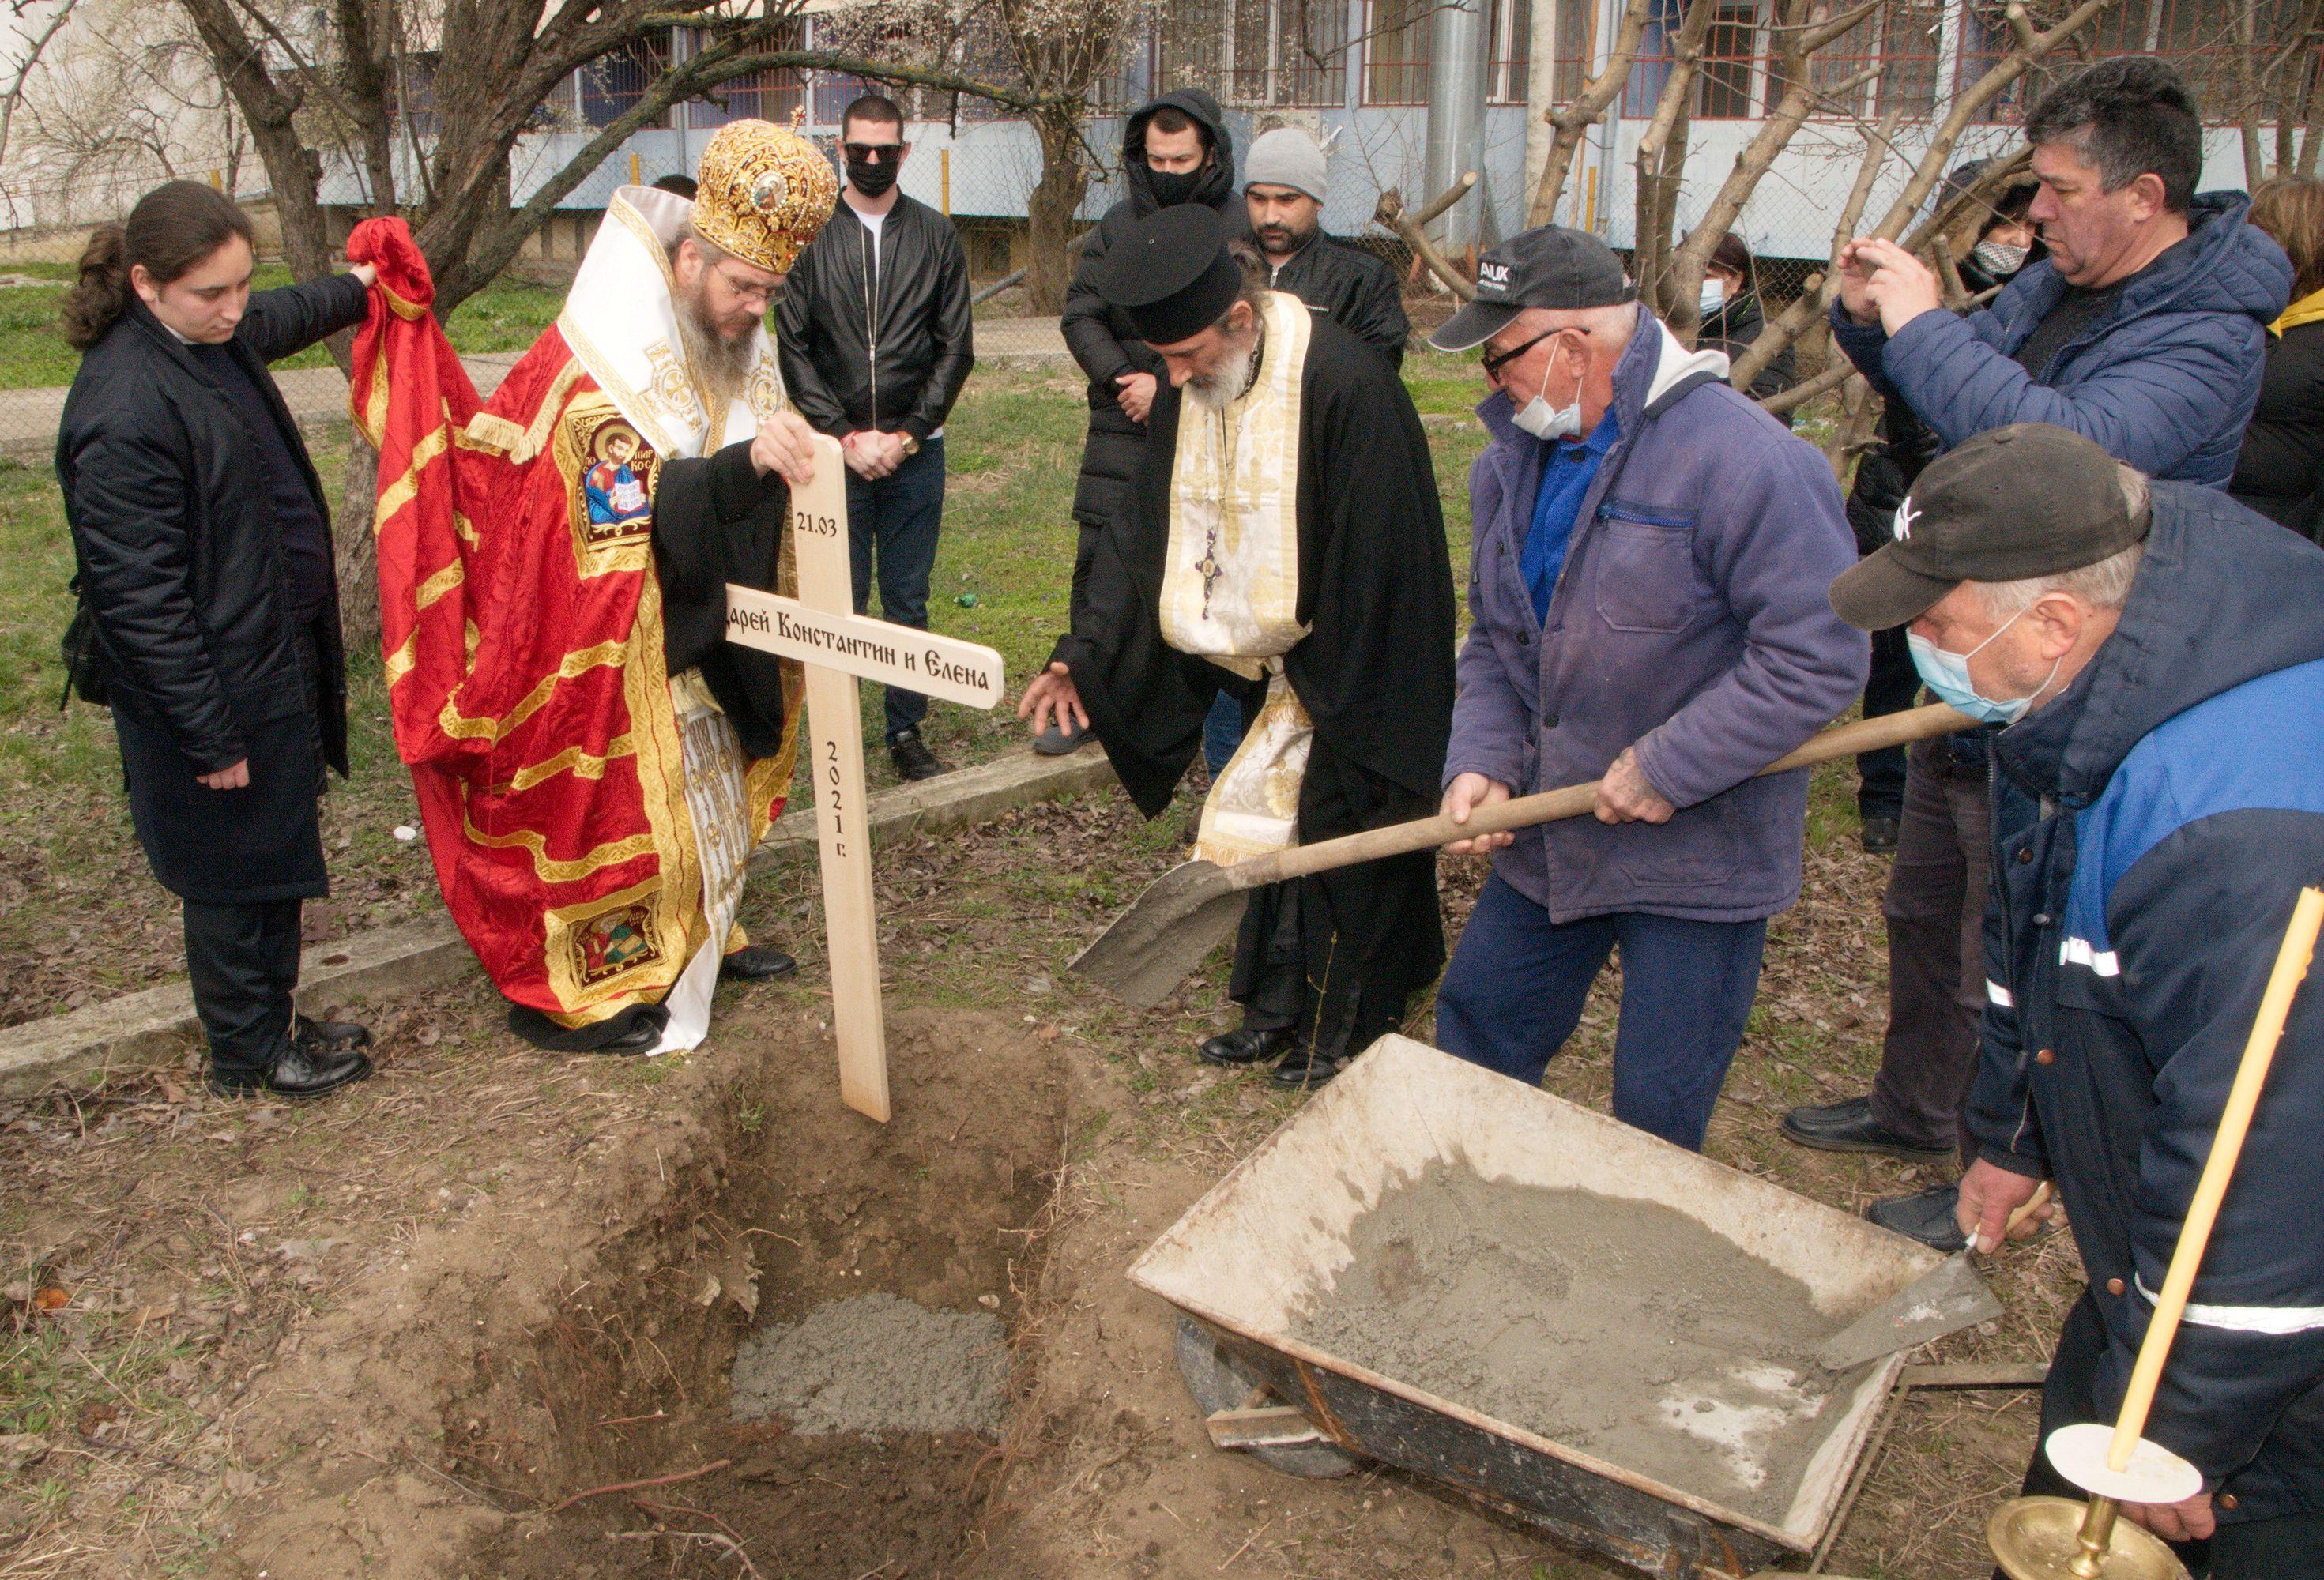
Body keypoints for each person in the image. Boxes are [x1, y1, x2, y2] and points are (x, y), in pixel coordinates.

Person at [1785, 57, 2294, 1243]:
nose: (2036, 213)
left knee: (2005, 938)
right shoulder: (2062, 283)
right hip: (1980, 637)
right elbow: (1956, 415)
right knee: (1927, 906)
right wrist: (1878, 335)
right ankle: (1915, 1105)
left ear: (2144, 192)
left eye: (2058, 189)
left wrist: (1922, 321)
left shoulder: (2209, 333)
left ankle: (1991, 1163)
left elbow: (2056, 446)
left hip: (2082, 674)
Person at [1827, 423, 2324, 1577]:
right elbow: (2040, 936)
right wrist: (2013, 1129)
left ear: (2048, 619)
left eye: (1936, 624)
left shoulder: (2241, 841)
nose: (1918, 649)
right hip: (2166, 1263)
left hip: (2283, 1340)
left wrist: (2183, 1429)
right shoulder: (2080, 689)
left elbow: (2271, 1162)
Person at [345, 119, 833, 1055]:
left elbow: (740, 450)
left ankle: (699, 935)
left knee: (706, 787)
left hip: (692, 627)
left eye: (768, 293)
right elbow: (613, 530)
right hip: (592, 645)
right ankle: (584, 987)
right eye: (741, 287)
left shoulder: (736, 335)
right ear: (690, 259)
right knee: (619, 802)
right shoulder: (594, 368)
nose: (751, 311)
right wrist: (739, 474)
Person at [1426, 225, 1865, 1153]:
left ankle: (1635, 1270)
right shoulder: (1506, 465)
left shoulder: (1748, 462)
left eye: (1499, 357)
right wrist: (1482, 756)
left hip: (1700, 849)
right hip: (1552, 828)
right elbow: (1498, 642)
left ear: (1572, 347)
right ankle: (1458, 1222)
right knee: (1476, 1031)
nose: (1491, 382)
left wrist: (1673, 762)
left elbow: (1818, 655)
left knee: (1658, 1104)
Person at [1019, 207, 1455, 1089]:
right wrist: (1085, 649)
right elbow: (1148, 529)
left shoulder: (1345, 383)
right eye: (1163, 360)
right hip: (1269, 658)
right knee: (1264, 837)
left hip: (1357, 663)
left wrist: (1321, 683)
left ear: (1241, 322)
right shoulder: (1199, 384)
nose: (1170, 379)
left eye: (1183, 358)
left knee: (1340, 833)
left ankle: (1347, 1022)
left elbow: (1383, 555)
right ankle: (1276, 1008)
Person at [56, 181, 379, 1098]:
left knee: (271, 851)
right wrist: (207, 734)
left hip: (263, 657)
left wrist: (360, 286)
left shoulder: (204, 336)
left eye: (242, 285)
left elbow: (277, 316)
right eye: (213, 293)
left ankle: (275, 1018)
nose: (235, 309)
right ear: (148, 283)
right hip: (211, 691)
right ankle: (248, 1052)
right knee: (233, 875)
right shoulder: (124, 406)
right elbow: (138, 600)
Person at [778, 94, 974, 782]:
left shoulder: (936, 235)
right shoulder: (808, 235)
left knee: (907, 595)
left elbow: (955, 346)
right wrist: (842, 435)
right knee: (840, 597)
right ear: (839, 146)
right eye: (857, 149)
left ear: (903, 152)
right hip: (835, 455)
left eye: (883, 150)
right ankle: (839, 731)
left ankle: (904, 727)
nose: (869, 161)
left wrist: (908, 433)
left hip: (915, 452)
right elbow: (793, 345)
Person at [1044, 90, 1241, 758]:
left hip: (1207, 418)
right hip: (1121, 424)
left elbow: (1238, 330)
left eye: (1180, 159)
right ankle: (1085, 698)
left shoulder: (1236, 226)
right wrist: (1121, 378)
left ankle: (1201, 704)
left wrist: (1166, 384)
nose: (1167, 171)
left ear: (1208, 154)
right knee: (1100, 558)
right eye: (1155, 159)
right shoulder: (1116, 224)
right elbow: (1081, 314)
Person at [1851, 171, 2037, 853]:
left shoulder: (2036, 304)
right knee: (1895, 655)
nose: (2016, 240)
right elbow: (1903, 387)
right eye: (2001, 226)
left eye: (2027, 229)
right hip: (1904, 492)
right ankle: (1883, 796)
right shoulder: (1935, 296)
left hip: (1985, 520)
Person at [1242, 127, 1408, 368]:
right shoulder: (1224, 264)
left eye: (1286, 200)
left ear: (1317, 200)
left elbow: (1376, 376)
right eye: (1258, 199)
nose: (1270, 216)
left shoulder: (1363, 279)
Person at [2230, 177, 2324, 540]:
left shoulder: (2310, 338)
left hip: (2279, 537)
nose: (2247, 248)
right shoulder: (2254, 314)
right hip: (2219, 518)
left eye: (2263, 235)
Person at [1692, 232, 1795, 408]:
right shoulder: (1666, 329)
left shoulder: (1765, 338)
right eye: (1683, 275)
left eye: (1707, 276)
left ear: (1736, 281)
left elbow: (1771, 419)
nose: (1693, 284)